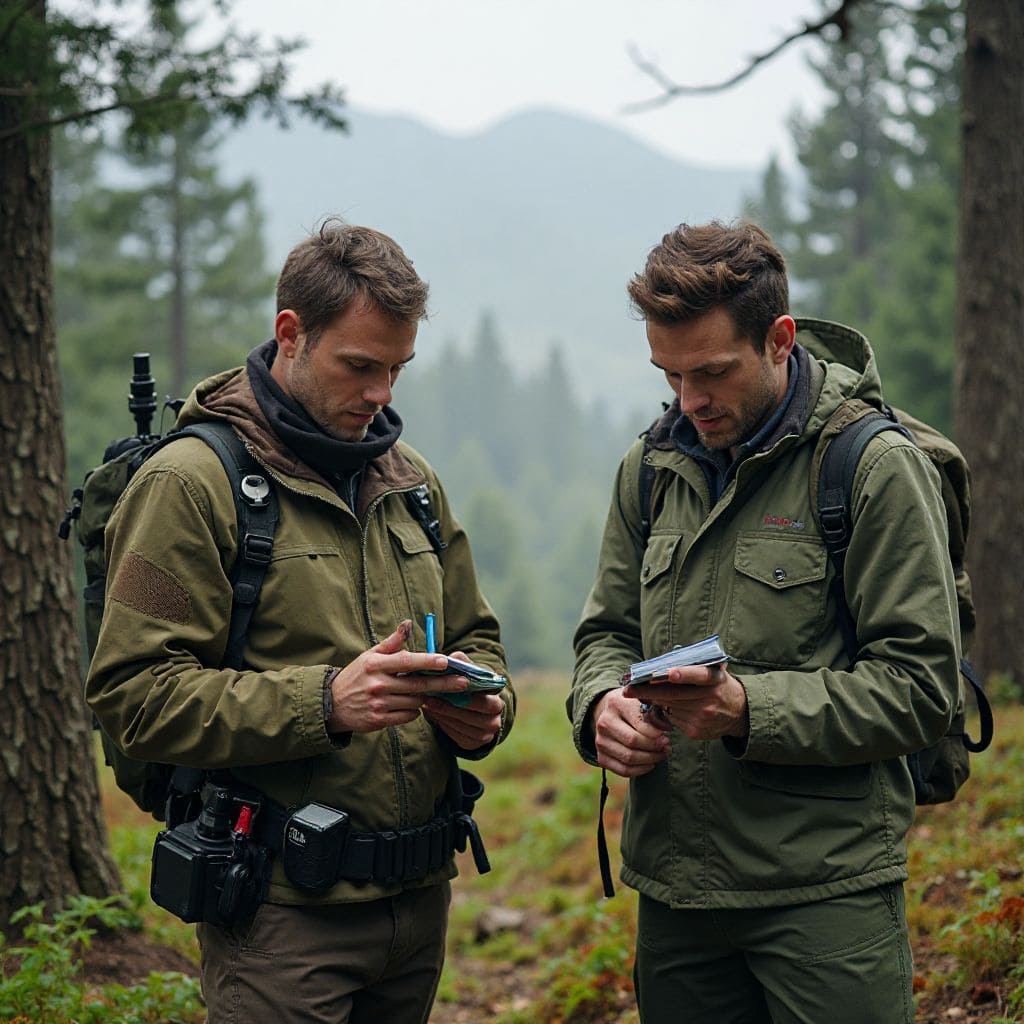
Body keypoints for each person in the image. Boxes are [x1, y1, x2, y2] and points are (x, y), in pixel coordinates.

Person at [87, 218, 514, 1024]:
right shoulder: (190, 485)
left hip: (419, 904)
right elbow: (133, 694)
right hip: (282, 918)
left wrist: (483, 709)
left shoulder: (410, 482)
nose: (382, 393)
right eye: (360, 365)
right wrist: (324, 703)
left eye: (397, 368)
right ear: (291, 334)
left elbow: (477, 638)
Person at [568, 220, 960, 1024]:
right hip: (676, 898)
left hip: (827, 900)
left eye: (711, 372)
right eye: (669, 375)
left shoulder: (872, 469)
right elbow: (605, 633)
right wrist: (599, 707)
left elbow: (922, 688)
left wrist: (749, 710)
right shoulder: (650, 469)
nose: (690, 401)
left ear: (780, 339)